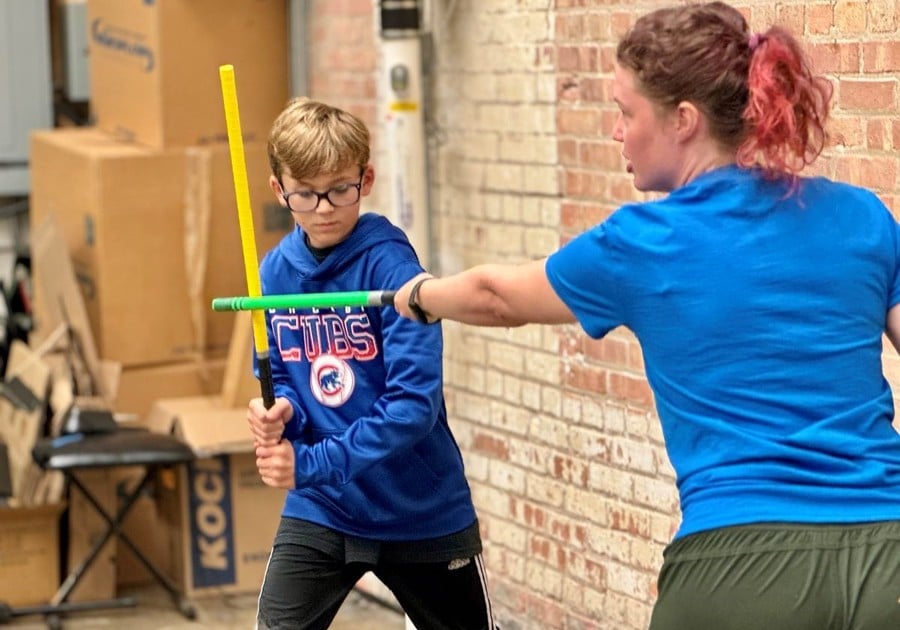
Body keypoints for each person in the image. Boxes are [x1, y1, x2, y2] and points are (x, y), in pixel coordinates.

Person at [393, 3, 900, 629]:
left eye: (625, 112)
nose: (615, 133)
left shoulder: (643, 241)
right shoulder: (863, 216)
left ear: (682, 120)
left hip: (739, 567)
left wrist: (417, 295)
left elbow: (498, 297)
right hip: (887, 557)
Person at [246, 97, 495, 630]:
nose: (323, 208)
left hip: (418, 509)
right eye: (305, 194)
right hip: (324, 507)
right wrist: (279, 410)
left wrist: (309, 464)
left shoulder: (393, 268)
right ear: (278, 189)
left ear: (367, 177)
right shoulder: (274, 274)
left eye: (340, 188)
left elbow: (412, 407)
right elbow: (284, 374)